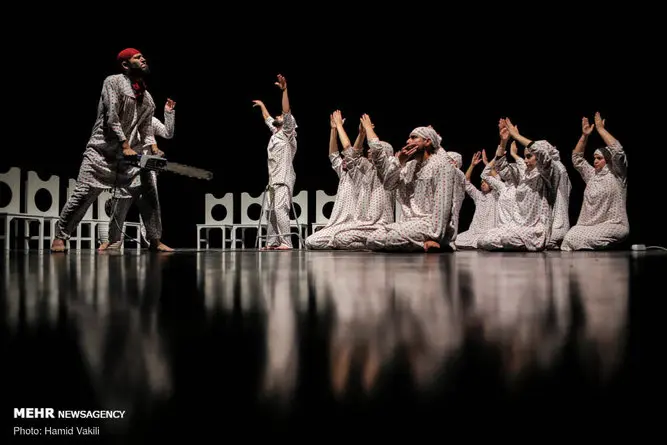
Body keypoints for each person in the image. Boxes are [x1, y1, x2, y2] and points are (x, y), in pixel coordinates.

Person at [51, 48, 166, 252]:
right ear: (125, 65)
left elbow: (146, 128)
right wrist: (125, 145)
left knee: (149, 192)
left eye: (142, 56)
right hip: (101, 152)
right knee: (83, 194)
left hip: (128, 159)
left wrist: (153, 148)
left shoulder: (147, 98)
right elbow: (112, 116)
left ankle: (155, 240)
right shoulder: (113, 82)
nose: (143, 59)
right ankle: (60, 236)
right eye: (137, 57)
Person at [348, 118, 455, 252]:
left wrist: (435, 237)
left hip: (430, 224)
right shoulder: (410, 166)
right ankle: (421, 244)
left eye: (413, 138)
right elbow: (388, 185)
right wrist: (400, 161)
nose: (408, 141)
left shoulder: (441, 165)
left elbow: (442, 206)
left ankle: (435, 243)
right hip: (410, 223)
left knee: (391, 237)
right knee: (372, 238)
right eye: (409, 138)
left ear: (427, 142)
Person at [98, 99, 176, 250]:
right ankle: (112, 240)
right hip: (125, 172)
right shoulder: (122, 121)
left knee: (151, 208)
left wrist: (168, 112)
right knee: (118, 209)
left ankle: (155, 241)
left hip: (146, 172)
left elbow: (168, 133)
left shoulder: (151, 121)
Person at [477, 118, 558, 251]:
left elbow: (542, 153)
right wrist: (503, 141)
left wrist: (517, 136)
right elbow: (501, 167)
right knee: (483, 239)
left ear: (538, 158)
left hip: (534, 229)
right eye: (524, 156)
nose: (525, 160)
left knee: (506, 238)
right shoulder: (523, 175)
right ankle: (513, 245)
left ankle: (522, 245)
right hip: (516, 225)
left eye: (529, 156)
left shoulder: (546, 174)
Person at [561, 113, 629, 250]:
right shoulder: (592, 175)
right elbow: (577, 159)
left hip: (613, 224)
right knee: (569, 237)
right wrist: (584, 136)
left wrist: (601, 130)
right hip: (588, 225)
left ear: (608, 160)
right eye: (594, 158)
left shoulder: (617, 174)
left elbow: (618, 151)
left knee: (584, 238)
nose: (595, 161)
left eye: (599, 158)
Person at [252, 74, 296, 250]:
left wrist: (284, 90)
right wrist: (262, 105)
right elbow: (267, 118)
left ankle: (286, 242)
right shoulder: (276, 132)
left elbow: (286, 111)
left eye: (281, 117)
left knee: (279, 209)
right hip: (272, 180)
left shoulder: (287, 134)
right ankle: (272, 242)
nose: (278, 116)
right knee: (270, 211)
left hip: (283, 179)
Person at [454, 150, 501, 249]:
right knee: (456, 239)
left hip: (489, 232)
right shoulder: (478, 196)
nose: (483, 184)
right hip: (474, 233)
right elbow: (466, 182)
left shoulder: (495, 194)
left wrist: (486, 163)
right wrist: (472, 165)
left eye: (486, 182)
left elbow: (497, 178)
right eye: (481, 182)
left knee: (488, 240)